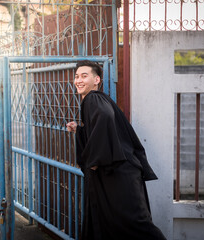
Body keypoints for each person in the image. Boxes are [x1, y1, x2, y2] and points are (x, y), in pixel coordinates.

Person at [66, 60, 166, 240]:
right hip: (122, 172)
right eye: (76, 77)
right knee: (118, 223)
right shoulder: (101, 99)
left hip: (118, 174)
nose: (78, 80)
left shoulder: (92, 98)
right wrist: (80, 129)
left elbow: (104, 118)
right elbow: (105, 125)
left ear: (97, 80)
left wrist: (95, 159)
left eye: (84, 76)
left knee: (136, 224)